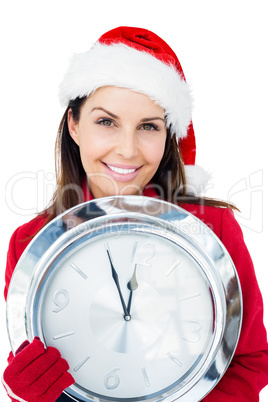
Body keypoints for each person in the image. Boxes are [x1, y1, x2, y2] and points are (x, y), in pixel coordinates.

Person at [2, 26, 268, 402]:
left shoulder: (212, 229)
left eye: (148, 126)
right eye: (106, 121)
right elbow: (37, 369)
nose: (127, 151)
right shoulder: (31, 243)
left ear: (169, 136)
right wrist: (25, 394)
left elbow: (248, 361)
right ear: (74, 125)